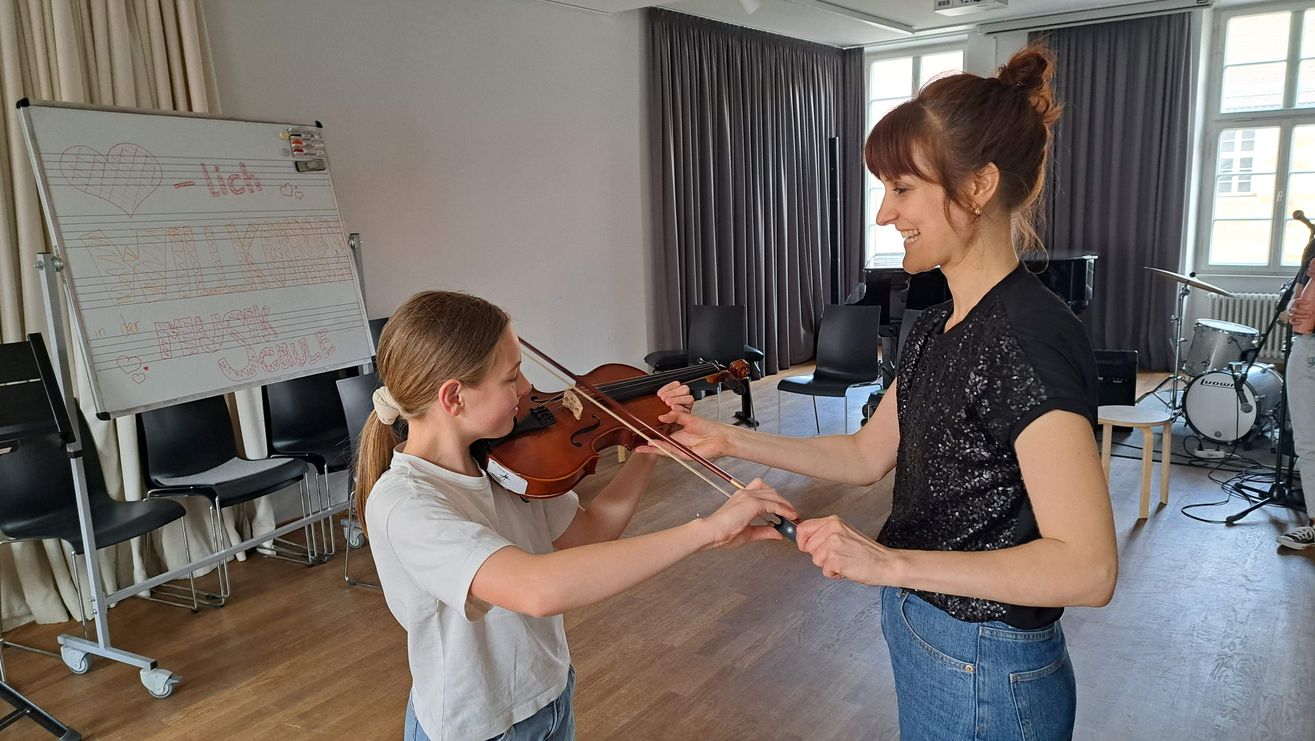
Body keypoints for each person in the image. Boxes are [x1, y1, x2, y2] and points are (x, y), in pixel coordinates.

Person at [651, 46, 1117, 740]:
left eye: (900, 188)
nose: (882, 213)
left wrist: (888, 561)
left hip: (984, 662)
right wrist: (730, 437)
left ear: (979, 186)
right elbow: (867, 455)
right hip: (923, 627)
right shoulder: (934, 324)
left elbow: (1086, 567)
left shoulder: (1026, 337)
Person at [355, 290, 797, 741]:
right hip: (479, 726)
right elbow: (536, 588)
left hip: (549, 691)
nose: (527, 389)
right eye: (512, 378)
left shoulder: (505, 463)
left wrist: (647, 446)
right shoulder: (406, 504)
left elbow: (589, 532)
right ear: (453, 398)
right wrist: (708, 530)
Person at [1279, 239, 1315, 549]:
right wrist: (1294, 307)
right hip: (1306, 350)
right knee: (1308, 444)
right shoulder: (1313, 246)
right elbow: (1294, 303)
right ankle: (1314, 523)